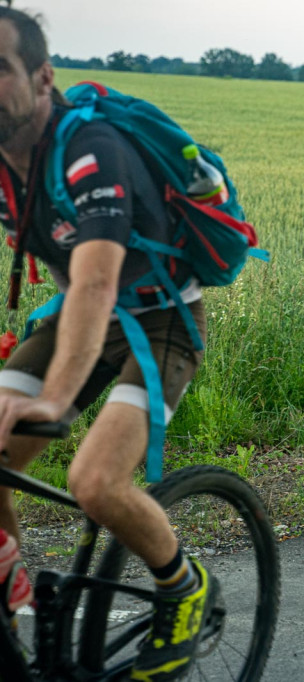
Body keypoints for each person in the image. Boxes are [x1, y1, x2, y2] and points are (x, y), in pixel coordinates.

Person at [0, 8, 212, 680]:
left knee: (93, 480)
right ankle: (9, 585)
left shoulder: (90, 150)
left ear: (41, 77)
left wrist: (55, 400)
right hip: (74, 313)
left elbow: (96, 285)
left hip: (159, 319)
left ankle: (183, 589)